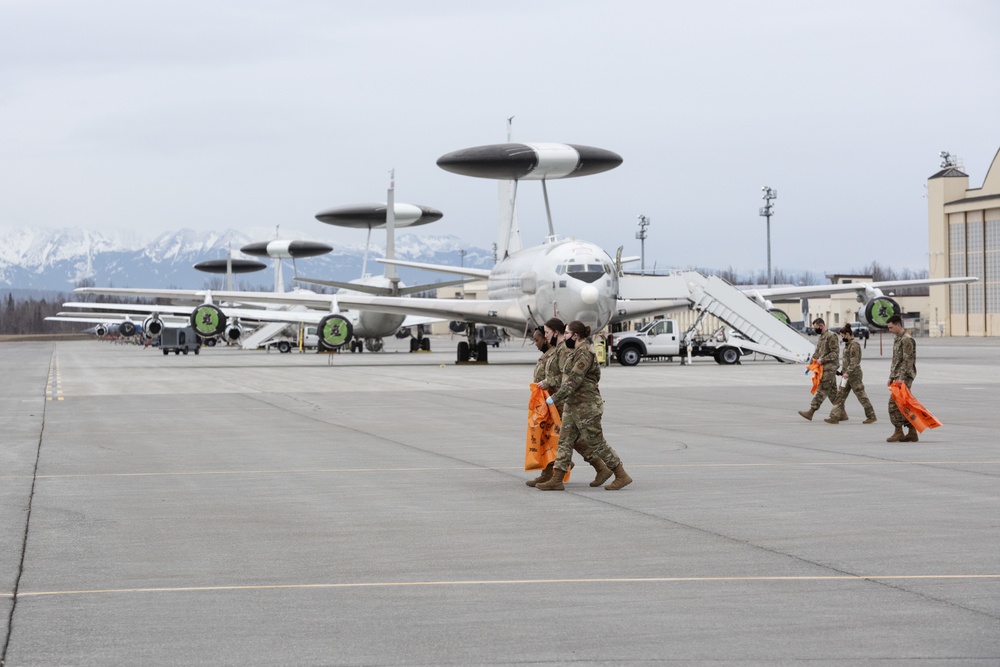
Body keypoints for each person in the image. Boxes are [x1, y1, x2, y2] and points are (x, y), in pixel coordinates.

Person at [536, 320, 631, 491]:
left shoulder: (584, 354)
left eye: (566, 333)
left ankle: (621, 474)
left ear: (575, 335)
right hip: (572, 404)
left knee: (596, 442)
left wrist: (554, 398)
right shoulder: (574, 353)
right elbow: (564, 377)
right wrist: (549, 384)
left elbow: (573, 381)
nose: (564, 336)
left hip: (587, 406)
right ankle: (557, 479)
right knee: (565, 440)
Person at [824, 324, 876, 424]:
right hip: (846, 376)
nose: (842, 338)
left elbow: (854, 361)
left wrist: (847, 372)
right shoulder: (848, 345)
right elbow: (847, 361)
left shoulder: (854, 345)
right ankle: (834, 417)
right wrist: (842, 372)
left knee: (861, 396)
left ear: (847, 334)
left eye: (843, 336)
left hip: (854, 376)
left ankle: (871, 415)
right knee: (840, 396)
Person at [798, 317, 840, 421]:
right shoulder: (822, 337)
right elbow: (817, 353)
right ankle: (842, 413)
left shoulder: (831, 336)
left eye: (816, 328)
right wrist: (810, 365)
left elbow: (835, 353)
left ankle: (811, 412)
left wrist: (823, 360)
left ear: (821, 326)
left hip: (830, 368)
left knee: (822, 390)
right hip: (823, 368)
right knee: (833, 393)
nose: (815, 330)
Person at [885, 314, 918, 442]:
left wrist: (901, 378)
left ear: (899, 325)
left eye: (891, 327)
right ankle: (912, 431)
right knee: (904, 404)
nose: (890, 330)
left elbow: (907, 361)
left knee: (893, 404)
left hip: (904, 377)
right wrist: (891, 376)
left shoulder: (907, 340)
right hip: (898, 376)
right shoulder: (898, 339)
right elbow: (896, 360)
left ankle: (899, 431)